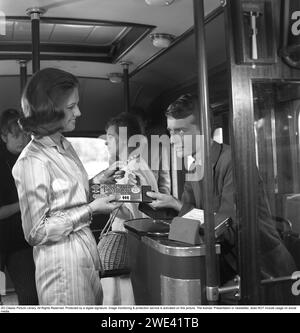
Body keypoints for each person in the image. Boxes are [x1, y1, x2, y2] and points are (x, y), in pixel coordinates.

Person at [146, 93, 296, 284]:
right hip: (230, 266)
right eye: (171, 131)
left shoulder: (234, 163)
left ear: (205, 129)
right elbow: (184, 222)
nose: (173, 139)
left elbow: (226, 229)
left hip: (265, 272)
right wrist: (171, 207)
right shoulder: (194, 168)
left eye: (181, 131)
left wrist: (179, 207)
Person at [12, 68, 121, 305]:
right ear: (50, 111)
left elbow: (67, 197)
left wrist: (98, 181)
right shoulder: (33, 160)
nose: (79, 112)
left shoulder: (64, 145)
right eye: (71, 107)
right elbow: (36, 232)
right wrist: (91, 210)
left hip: (84, 260)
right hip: (62, 270)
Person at [101, 112, 159, 305]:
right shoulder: (135, 165)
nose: (105, 142)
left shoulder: (132, 170)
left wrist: (105, 198)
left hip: (127, 246)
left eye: (110, 137)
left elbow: (130, 214)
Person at [0, 109, 38, 305]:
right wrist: (24, 203)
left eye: (25, 134)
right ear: (3, 136)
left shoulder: (29, 158)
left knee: (30, 295)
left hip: (20, 241)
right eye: (16, 135)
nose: (22, 140)